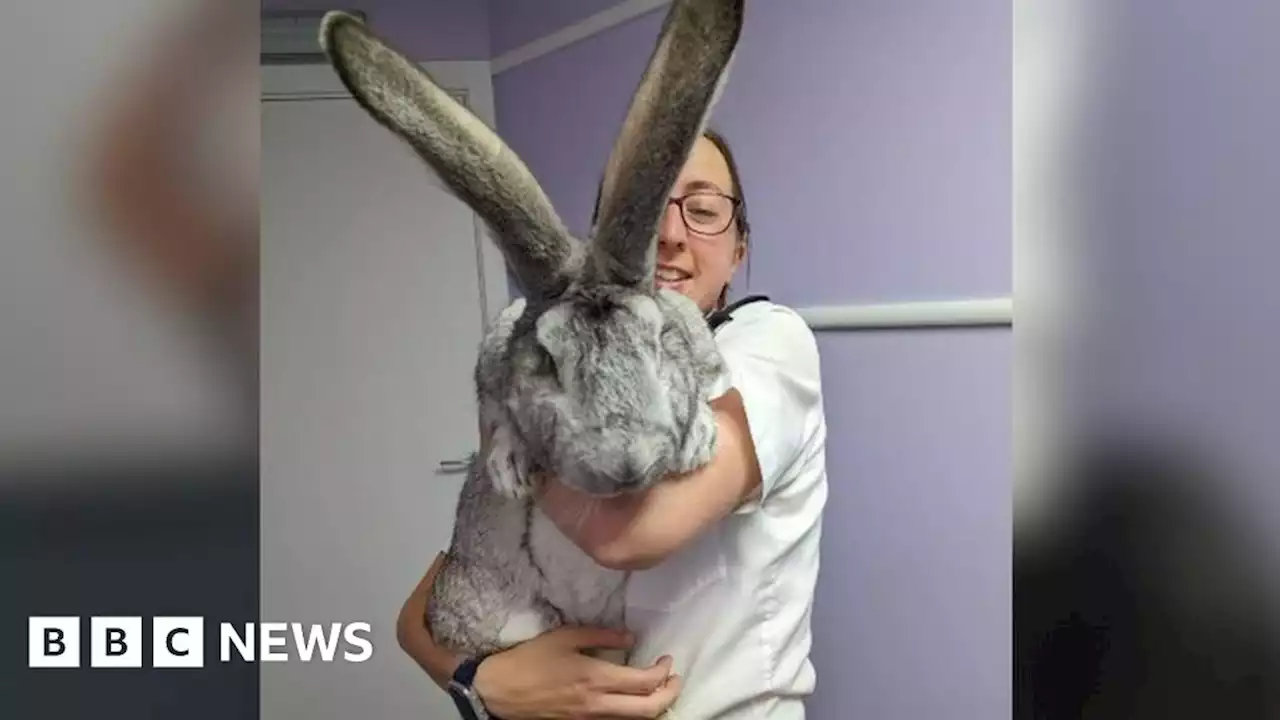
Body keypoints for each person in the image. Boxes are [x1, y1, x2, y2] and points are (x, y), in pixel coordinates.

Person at [396, 129, 829, 719]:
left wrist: (517, 416)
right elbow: (421, 615)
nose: (671, 235)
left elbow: (627, 535)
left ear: (739, 249)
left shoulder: (768, 344)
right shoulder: (551, 361)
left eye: (703, 211)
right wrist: (480, 678)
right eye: (644, 216)